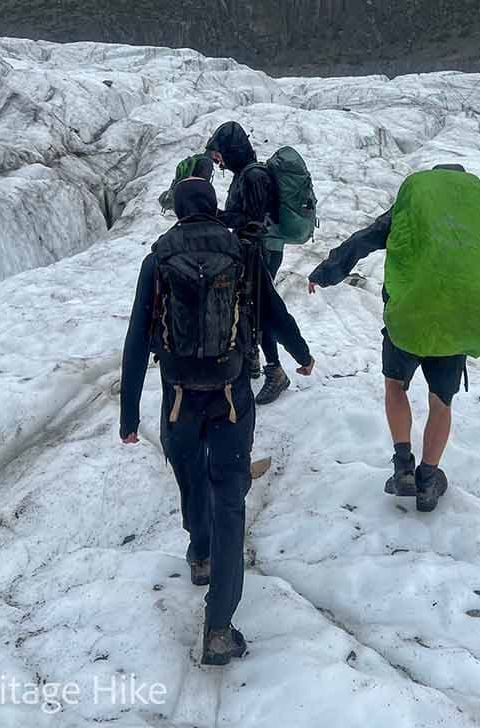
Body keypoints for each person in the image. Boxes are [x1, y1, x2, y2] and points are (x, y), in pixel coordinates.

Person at [120, 176, 314, 667]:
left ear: (180, 211)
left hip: (178, 397)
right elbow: (272, 312)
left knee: (189, 478)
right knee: (230, 501)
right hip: (231, 398)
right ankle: (219, 628)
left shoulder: (158, 258)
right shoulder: (242, 253)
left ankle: (199, 553)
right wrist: (301, 354)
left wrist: (128, 414)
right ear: (213, 207)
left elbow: (137, 338)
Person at [308, 164, 480, 512]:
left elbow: (364, 240)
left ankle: (403, 468)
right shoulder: (476, 221)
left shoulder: (411, 210)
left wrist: (326, 272)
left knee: (395, 386)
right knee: (441, 402)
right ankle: (429, 480)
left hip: (408, 317)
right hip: (454, 323)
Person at [208, 122, 293, 405]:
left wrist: (216, 216)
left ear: (231, 151)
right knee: (251, 305)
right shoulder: (245, 173)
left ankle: (276, 371)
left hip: (262, 250)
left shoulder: (253, 176)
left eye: (219, 155)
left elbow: (252, 221)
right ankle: (253, 357)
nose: (218, 162)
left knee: (262, 307)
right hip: (256, 249)